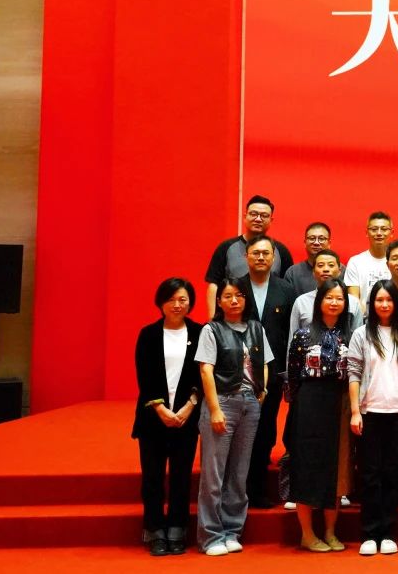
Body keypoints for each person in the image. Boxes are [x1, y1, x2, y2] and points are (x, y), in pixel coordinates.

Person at [195, 280, 272, 556]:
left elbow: (264, 363)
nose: (234, 300)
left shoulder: (256, 328)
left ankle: (231, 530)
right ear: (219, 301)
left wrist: (262, 391)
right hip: (223, 402)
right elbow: (206, 370)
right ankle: (211, 536)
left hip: (250, 403)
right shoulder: (211, 330)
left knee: (239, 472)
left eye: (239, 295)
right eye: (227, 296)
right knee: (214, 474)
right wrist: (214, 408)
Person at [133, 277, 203, 556]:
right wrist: (160, 409)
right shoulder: (148, 334)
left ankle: (177, 529)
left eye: (182, 299)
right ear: (161, 302)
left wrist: (190, 406)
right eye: (171, 299)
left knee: (181, 476)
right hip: (153, 418)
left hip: (186, 417)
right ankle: (154, 530)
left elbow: (203, 372)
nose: (177, 305)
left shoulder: (199, 332)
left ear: (190, 303)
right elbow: (145, 376)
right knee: (152, 477)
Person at [347, 280, 398, 556]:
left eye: (389, 300)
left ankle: (388, 532)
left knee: (392, 473)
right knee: (370, 474)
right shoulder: (361, 334)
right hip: (369, 412)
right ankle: (369, 533)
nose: (384, 304)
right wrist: (355, 411)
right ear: (371, 303)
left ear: (396, 303)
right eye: (379, 300)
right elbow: (353, 373)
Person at [286, 278, 352, 552]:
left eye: (339, 298)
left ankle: (330, 532)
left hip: (339, 403)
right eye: (329, 297)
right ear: (319, 301)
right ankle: (307, 533)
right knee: (307, 468)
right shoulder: (303, 335)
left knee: (335, 470)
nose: (334, 302)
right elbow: (293, 375)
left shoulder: (349, 335)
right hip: (309, 404)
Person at [235, 236, 296, 509]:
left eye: (266, 253)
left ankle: (257, 490)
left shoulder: (286, 290)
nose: (261, 257)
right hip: (237, 370)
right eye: (255, 253)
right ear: (246, 256)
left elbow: (291, 333)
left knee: (264, 429)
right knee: (239, 429)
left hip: (273, 372)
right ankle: (235, 491)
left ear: (273, 258)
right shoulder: (235, 287)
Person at [204, 195, 294, 318]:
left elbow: (286, 289)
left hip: (271, 317)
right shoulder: (226, 247)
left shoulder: (281, 251)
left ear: (271, 220)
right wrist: (212, 319)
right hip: (235, 317)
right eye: (253, 214)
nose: (258, 219)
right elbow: (214, 285)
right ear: (245, 216)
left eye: (264, 215)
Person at [344, 212, 394, 299]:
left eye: (384, 229)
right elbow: (354, 300)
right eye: (374, 229)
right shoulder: (355, 262)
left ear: (392, 233)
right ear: (367, 233)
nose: (379, 233)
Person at [285, 222, 332, 296]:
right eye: (312, 238)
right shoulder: (293, 273)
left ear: (329, 243)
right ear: (305, 243)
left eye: (321, 239)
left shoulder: (341, 271)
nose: (316, 243)